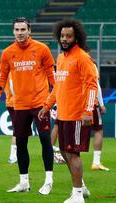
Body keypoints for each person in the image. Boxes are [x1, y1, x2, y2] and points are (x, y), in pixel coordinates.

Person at [0, 17, 55, 195]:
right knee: (21, 143)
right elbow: (2, 79)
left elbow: (52, 77)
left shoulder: (42, 49)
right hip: (19, 105)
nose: (20, 33)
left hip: (41, 104)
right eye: (17, 30)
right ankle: (24, 182)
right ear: (13, 31)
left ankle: (49, 180)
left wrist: (56, 100)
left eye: (23, 29)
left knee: (45, 139)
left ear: (29, 30)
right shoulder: (8, 53)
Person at [38, 18, 98, 203]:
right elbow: (58, 87)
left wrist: (88, 110)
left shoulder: (82, 57)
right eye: (62, 35)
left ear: (76, 37)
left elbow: (92, 85)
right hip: (63, 114)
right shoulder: (61, 57)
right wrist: (47, 105)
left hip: (78, 115)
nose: (64, 39)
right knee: (64, 152)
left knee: (73, 154)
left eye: (68, 36)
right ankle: (82, 188)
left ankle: (78, 196)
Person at [5, 75, 17, 164]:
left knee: (17, 131)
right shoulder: (12, 71)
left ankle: (15, 155)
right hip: (16, 103)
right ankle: (13, 156)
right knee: (17, 131)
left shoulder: (5, 72)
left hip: (9, 102)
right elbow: (13, 86)